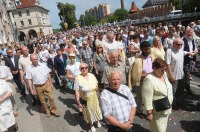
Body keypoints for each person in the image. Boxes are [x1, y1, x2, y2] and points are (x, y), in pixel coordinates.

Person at [142, 58, 173, 132]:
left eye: (165, 69)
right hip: (157, 111)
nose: (164, 71)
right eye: (162, 69)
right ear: (154, 68)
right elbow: (147, 97)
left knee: (162, 129)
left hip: (166, 108)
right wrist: (149, 113)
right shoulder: (149, 79)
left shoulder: (164, 74)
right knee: (158, 130)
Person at [128, 41, 154, 119]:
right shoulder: (137, 61)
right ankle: (139, 111)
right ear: (141, 49)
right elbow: (135, 75)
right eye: (146, 49)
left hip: (151, 81)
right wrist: (145, 75)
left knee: (150, 97)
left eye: (149, 49)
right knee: (140, 97)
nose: (148, 51)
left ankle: (150, 111)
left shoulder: (151, 57)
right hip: (142, 82)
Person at [74, 63, 102, 132]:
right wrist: (78, 102)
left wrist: (99, 95)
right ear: (80, 69)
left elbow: (96, 86)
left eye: (86, 67)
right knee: (88, 112)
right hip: (85, 98)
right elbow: (77, 91)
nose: (84, 69)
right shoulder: (77, 78)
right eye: (82, 68)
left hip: (94, 96)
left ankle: (97, 120)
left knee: (96, 109)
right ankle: (91, 124)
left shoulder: (92, 75)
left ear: (88, 68)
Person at [182, 28, 198, 94]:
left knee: (188, 73)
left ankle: (184, 86)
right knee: (187, 75)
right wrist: (188, 53)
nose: (190, 34)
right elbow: (180, 51)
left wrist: (195, 50)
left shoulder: (192, 40)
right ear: (186, 33)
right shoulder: (182, 40)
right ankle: (188, 89)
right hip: (184, 60)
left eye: (191, 33)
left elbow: (195, 47)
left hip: (191, 59)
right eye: (189, 33)